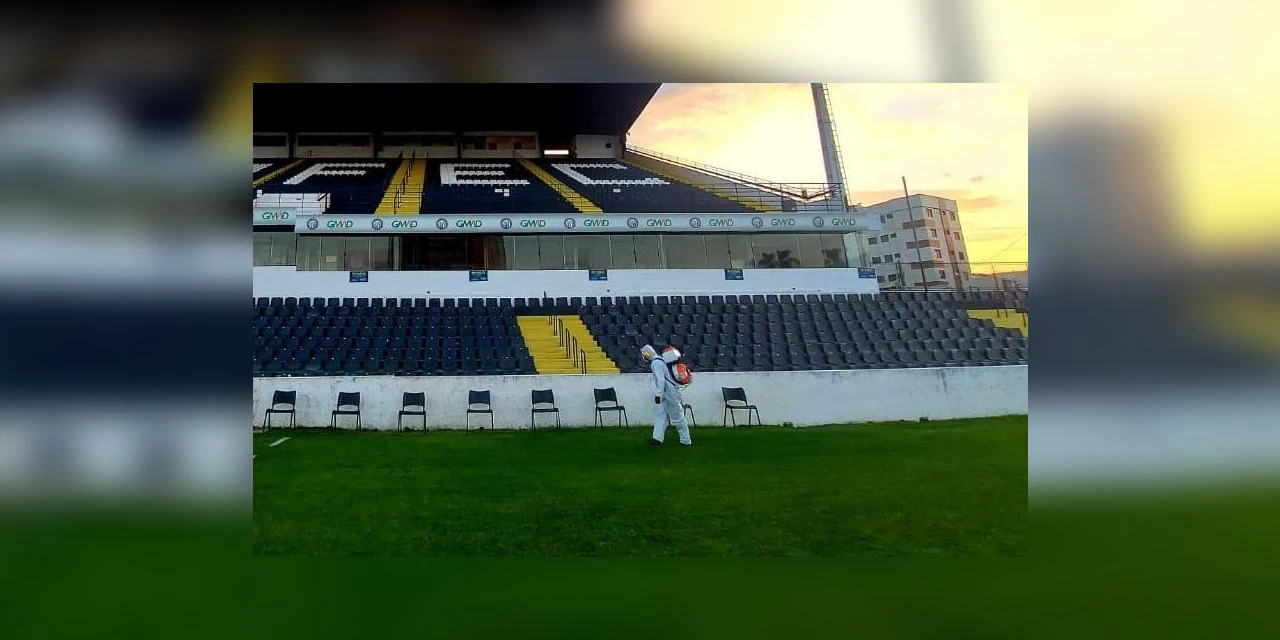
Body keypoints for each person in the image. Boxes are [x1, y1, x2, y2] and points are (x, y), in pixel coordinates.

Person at [640, 344, 691, 446]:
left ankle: (685, 440)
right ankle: (657, 438)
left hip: (669, 393)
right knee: (661, 415)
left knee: (678, 417)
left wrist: (658, 395)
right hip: (667, 393)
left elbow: (661, 380)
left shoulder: (656, 363)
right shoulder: (660, 360)